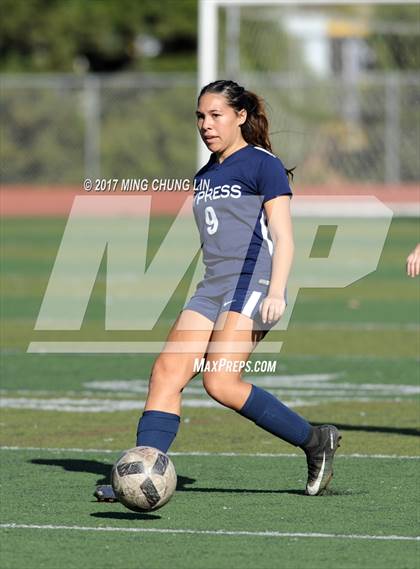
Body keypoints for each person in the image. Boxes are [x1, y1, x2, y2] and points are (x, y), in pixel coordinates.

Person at [95, 80, 341, 501]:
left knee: (220, 382)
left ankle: (315, 440)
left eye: (216, 115)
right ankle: (142, 472)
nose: (206, 124)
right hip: (211, 287)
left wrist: (277, 290)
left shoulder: (263, 164)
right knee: (166, 374)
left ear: (240, 116)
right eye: (200, 117)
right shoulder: (206, 174)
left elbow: (283, 235)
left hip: (253, 281)